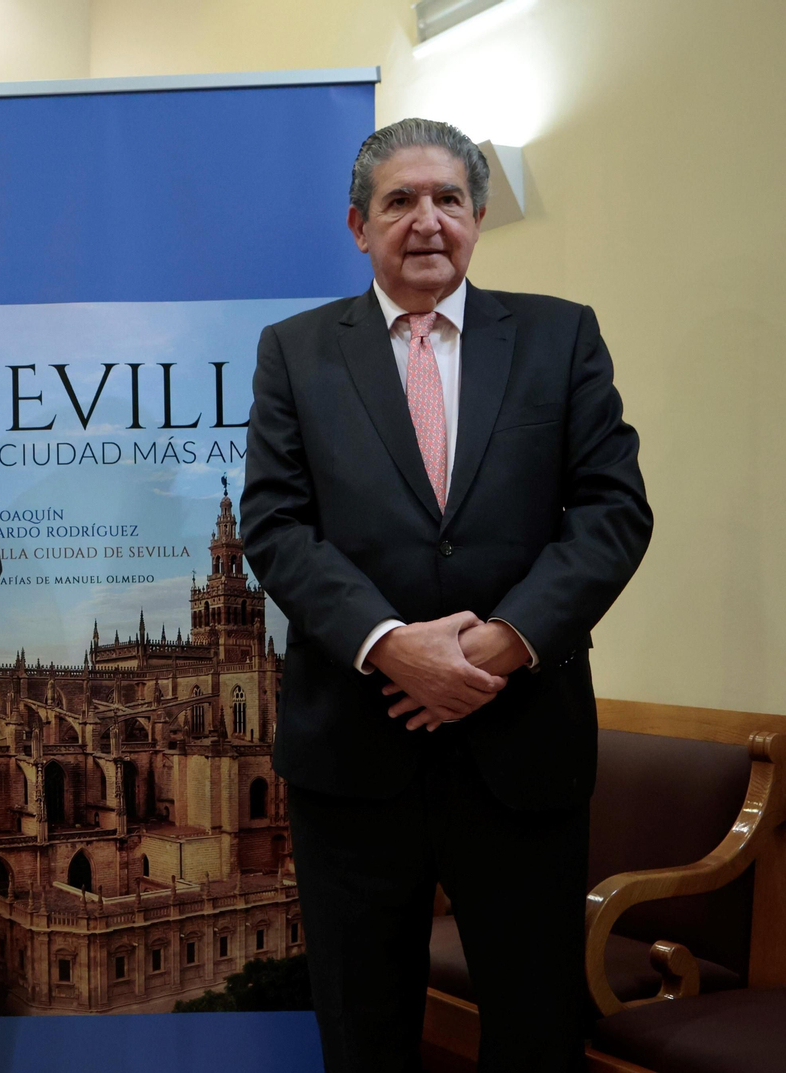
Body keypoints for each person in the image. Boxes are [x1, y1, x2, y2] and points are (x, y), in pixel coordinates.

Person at [240, 118, 653, 1072]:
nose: (426, 221)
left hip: (523, 749)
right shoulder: (296, 352)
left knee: (534, 1025)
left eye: (449, 200)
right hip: (354, 750)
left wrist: (504, 641)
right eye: (400, 201)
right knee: (364, 1025)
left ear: (476, 218)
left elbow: (611, 512)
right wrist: (391, 643)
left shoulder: (561, 335)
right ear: (358, 224)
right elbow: (277, 524)